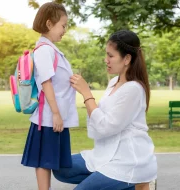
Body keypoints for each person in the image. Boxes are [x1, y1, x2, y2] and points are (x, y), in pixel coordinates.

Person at [53, 30, 157, 190]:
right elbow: (98, 120)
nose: (105, 60)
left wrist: (86, 93)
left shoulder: (134, 89)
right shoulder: (114, 82)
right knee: (61, 168)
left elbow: (105, 126)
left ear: (127, 59)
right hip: (105, 153)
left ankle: (138, 182)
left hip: (128, 161)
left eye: (111, 55)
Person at [21, 2, 79, 190]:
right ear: (49, 24)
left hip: (55, 115)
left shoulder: (51, 49)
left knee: (48, 161)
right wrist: (55, 113)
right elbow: (46, 82)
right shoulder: (45, 50)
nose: (64, 30)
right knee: (44, 161)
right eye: (62, 25)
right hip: (49, 117)